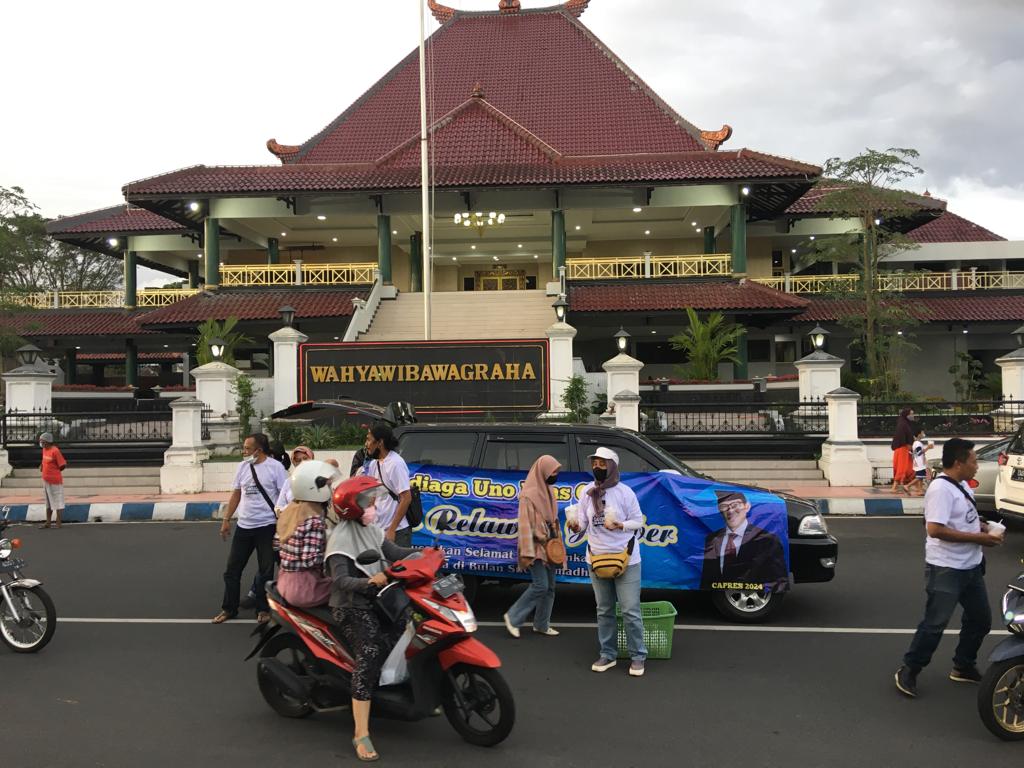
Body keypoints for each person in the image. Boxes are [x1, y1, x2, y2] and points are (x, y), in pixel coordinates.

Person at [895, 437, 1005, 698]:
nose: (977, 466)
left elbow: (963, 518)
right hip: (946, 568)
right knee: (935, 624)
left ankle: (963, 665)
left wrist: (981, 526)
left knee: (980, 620)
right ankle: (910, 669)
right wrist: (981, 538)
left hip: (971, 566)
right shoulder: (940, 490)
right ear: (958, 463)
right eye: (974, 461)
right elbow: (934, 529)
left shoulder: (962, 485)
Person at [325, 476, 417, 762]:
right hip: (352, 606)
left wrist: (426, 554)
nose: (374, 503)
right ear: (352, 507)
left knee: (410, 627)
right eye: (368, 500)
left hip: (379, 598)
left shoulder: (372, 529)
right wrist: (369, 583)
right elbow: (340, 580)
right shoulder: (340, 539)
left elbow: (394, 553)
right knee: (370, 650)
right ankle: (361, 733)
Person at [567, 447, 648, 677]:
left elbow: (637, 521)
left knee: (630, 609)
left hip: (626, 558)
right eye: (595, 463)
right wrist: (576, 526)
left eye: (602, 464)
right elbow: (583, 522)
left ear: (612, 466)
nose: (597, 468)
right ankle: (607, 654)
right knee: (604, 610)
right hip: (596, 558)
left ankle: (638, 656)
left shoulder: (625, 493)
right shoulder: (587, 492)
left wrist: (620, 525)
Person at [212, 433, 290, 625]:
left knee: (265, 571)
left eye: (247, 448)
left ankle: (263, 610)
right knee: (232, 570)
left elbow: (284, 496)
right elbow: (237, 494)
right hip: (244, 525)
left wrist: (283, 523)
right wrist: (226, 519)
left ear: (259, 450)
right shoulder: (242, 467)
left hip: (267, 525)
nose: (244, 451)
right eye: (244, 448)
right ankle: (229, 608)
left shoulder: (276, 468)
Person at [241, 445, 316, 610]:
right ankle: (261, 594)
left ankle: (308, 597)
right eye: (298, 460)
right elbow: (279, 504)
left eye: (305, 459)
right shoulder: (290, 482)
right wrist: (285, 511)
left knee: (310, 566)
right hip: (288, 530)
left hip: (311, 531)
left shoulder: (318, 480)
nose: (301, 462)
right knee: (280, 565)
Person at [503, 454, 563, 638]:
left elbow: (553, 519)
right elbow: (524, 526)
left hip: (551, 546)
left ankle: (542, 624)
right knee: (540, 585)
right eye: (553, 471)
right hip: (536, 547)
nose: (555, 474)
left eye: (557, 471)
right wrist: (527, 552)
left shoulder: (549, 492)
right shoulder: (528, 496)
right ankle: (513, 617)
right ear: (543, 471)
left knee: (550, 586)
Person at [274, 460, 339, 608]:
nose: (329, 489)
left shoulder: (290, 511)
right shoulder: (314, 520)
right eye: (326, 485)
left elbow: (277, 544)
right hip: (305, 587)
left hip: (284, 580)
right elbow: (309, 560)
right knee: (346, 591)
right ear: (313, 488)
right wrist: (331, 553)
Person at [699, 490, 788, 592]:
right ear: (719, 511)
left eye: (736, 505)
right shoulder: (712, 539)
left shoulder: (767, 539)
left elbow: (778, 580)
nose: (730, 511)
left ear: (747, 506)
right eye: (724, 506)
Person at [361, 423, 412, 546]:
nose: (366, 444)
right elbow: (373, 495)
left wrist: (392, 530)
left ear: (380, 442)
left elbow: (406, 498)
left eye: (369, 440)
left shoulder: (395, 463)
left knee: (398, 565)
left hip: (397, 531)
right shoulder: (374, 464)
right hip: (378, 531)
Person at [37, 432, 66, 529]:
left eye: (42, 441)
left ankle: (58, 522)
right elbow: (44, 460)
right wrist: (42, 466)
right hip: (46, 480)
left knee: (57, 501)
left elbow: (62, 465)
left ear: (48, 442)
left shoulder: (55, 451)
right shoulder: (44, 450)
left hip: (55, 481)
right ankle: (48, 522)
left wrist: (54, 472)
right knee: (48, 502)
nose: (41, 443)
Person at [890, 407, 916, 495]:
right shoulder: (903, 424)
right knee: (902, 467)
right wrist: (908, 444)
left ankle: (911, 485)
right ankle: (894, 487)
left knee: (910, 467)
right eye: (911, 414)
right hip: (903, 448)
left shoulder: (905, 423)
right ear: (906, 415)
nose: (913, 415)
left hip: (904, 448)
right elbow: (901, 437)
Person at [906, 428, 935, 496]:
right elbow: (918, 453)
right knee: (919, 477)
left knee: (920, 477)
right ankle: (907, 486)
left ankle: (920, 490)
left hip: (918, 462)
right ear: (919, 434)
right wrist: (928, 447)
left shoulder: (915, 443)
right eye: (922, 433)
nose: (923, 434)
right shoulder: (918, 443)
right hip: (919, 463)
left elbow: (913, 453)